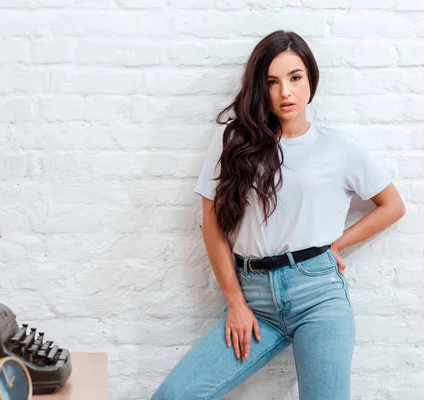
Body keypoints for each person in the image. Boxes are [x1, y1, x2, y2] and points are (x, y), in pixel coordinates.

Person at [151, 30, 406, 400]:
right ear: (260, 86)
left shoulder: (337, 147)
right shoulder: (234, 140)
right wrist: (236, 304)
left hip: (318, 295)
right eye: (272, 82)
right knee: (174, 396)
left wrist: (338, 244)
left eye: (295, 78)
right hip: (253, 298)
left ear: (310, 79)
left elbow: (393, 205)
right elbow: (212, 225)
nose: (285, 92)